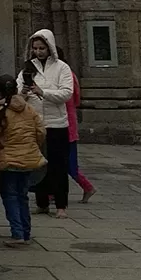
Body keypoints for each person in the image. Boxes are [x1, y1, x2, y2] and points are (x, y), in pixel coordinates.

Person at [22, 29, 74, 217]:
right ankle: (41, 202)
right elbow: (19, 91)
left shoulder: (62, 68)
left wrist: (42, 92)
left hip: (56, 124)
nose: (38, 52)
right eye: (35, 48)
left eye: (42, 48)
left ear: (49, 47)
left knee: (58, 165)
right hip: (36, 123)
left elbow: (67, 93)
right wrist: (24, 92)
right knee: (38, 165)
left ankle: (61, 205)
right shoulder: (28, 68)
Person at [0, 74, 46, 246]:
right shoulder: (29, 109)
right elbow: (41, 131)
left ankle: (18, 233)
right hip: (28, 158)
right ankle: (25, 232)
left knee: (10, 196)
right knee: (22, 196)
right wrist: (32, 146)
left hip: (9, 161)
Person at [67, 69, 96, 203]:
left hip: (66, 126)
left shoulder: (66, 75)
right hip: (67, 122)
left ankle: (87, 186)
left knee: (70, 165)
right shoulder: (71, 75)